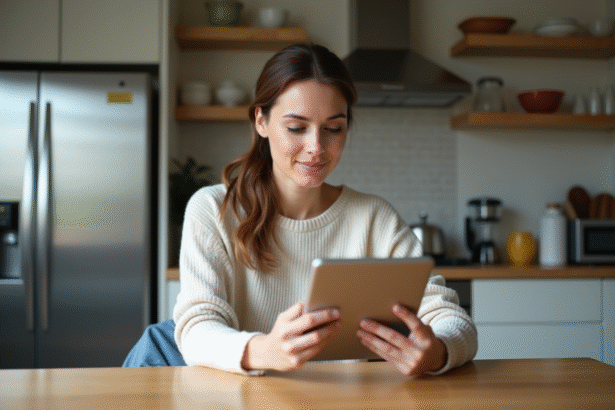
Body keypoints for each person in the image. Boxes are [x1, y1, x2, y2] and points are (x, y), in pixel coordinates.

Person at [173, 43, 477, 376]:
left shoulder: (374, 218)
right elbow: (195, 329)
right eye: (296, 128)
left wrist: (438, 351)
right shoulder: (214, 209)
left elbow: (454, 320)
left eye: (333, 129)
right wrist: (264, 351)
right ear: (261, 121)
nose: (316, 148)